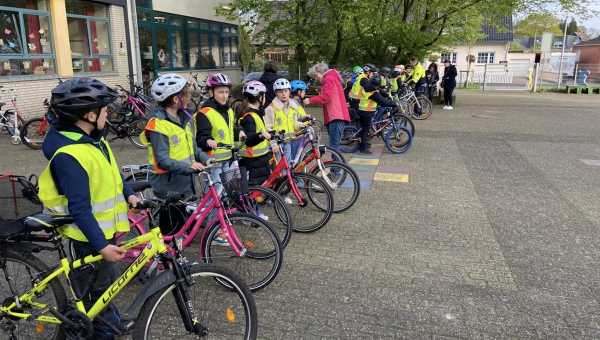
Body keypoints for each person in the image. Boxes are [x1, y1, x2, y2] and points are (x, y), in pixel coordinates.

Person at [39, 77, 139, 339]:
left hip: (103, 233)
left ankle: (111, 321)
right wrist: (102, 246)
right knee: (94, 292)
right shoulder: (70, 155)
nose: (110, 115)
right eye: (106, 111)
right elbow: (80, 208)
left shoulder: (94, 139)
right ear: (91, 115)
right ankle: (101, 332)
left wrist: (129, 195)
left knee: (105, 286)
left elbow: (112, 175)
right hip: (86, 238)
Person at [141, 73, 211, 235]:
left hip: (183, 181)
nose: (189, 98)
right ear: (175, 99)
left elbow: (194, 150)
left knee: (180, 224)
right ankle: (169, 256)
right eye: (186, 94)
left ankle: (177, 255)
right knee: (170, 228)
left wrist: (207, 160)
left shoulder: (183, 119)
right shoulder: (158, 124)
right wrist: (189, 166)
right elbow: (163, 159)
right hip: (168, 183)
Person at [264, 78, 306, 203]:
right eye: (280, 91)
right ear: (276, 93)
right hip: (277, 145)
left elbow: (293, 123)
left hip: (287, 143)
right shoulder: (272, 108)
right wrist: (273, 143)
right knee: (277, 172)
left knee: (285, 170)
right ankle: (273, 196)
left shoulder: (293, 107)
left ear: (289, 91)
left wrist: (299, 125)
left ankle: (282, 194)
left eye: (286, 91)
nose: (283, 94)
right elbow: (267, 128)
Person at [303, 63, 350, 163]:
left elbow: (326, 97)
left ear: (321, 72)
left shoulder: (327, 78)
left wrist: (310, 100)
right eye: (314, 77)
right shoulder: (333, 78)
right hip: (338, 115)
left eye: (316, 75)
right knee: (335, 144)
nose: (316, 78)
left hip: (335, 115)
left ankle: (336, 172)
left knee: (334, 145)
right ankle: (338, 170)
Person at [235, 80, 272, 197]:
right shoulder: (250, 117)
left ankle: (255, 211)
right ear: (260, 97)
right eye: (264, 95)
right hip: (252, 161)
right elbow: (249, 140)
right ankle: (252, 213)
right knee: (252, 191)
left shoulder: (256, 114)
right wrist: (261, 136)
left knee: (258, 189)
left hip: (259, 160)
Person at [355, 63, 398, 155]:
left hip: (364, 110)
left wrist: (385, 94)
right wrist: (393, 103)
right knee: (365, 130)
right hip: (366, 111)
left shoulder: (369, 86)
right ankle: (363, 149)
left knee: (364, 129)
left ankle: (363, 144)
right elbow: (382, 101)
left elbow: (377, 90)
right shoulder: (370, 89)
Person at [289, 80, 310, 164]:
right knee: (295, 161)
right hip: (295, 137)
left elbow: (297, 118)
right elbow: (293, 120)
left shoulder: (296, 103)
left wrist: (305, 118)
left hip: (298, 135)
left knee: (297, 159)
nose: (304, 93)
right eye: (304, 91)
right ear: (299, 91)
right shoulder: (293, 105)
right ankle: (297, 177)